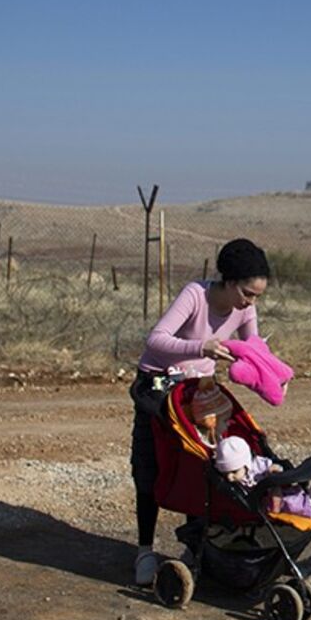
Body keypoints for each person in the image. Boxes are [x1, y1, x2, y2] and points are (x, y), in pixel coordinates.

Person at [129, 238, 269, 586]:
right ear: (229, 281)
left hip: (200, 391)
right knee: (149, 464)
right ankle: (145, 551)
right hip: (159, 387)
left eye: (256, 297)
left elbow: (252, 349)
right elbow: (156, 339)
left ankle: (195, 548)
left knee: (202, 466)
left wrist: (271, 373)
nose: (250, 303)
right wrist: (201, 346)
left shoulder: (245, 308)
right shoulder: (196, 295)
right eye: (247, 294)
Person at [213, 437, 311, 517]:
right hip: (265, 503)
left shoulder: (259, 465)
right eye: (226, 474)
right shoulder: (235, 480)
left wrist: (275, 469)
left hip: (280, 494)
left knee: (293, 503)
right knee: (293, 502)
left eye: (234, 472)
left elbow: (276, 468)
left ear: (246, 464)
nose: (229, 477)